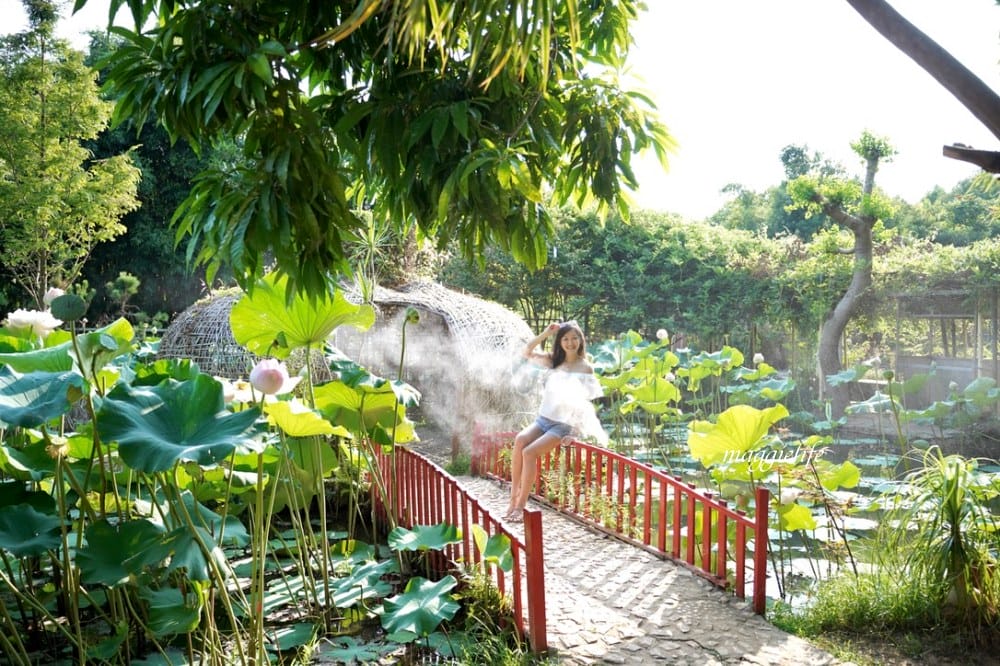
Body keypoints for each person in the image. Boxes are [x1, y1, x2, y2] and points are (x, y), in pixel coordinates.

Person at [504, 320, 606, 522]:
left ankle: (520, 506)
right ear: (559, 342)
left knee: (529, 452)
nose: (570, 342)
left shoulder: (586, 368)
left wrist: (574, 432)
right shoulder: (553, 361)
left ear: (581, 340)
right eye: (566, 339)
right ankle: (513, 497)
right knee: (520, 440)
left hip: (562, 425)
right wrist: (545, 333)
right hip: (543, 419)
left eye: (574, 338)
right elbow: (526, 352)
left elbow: (584, 404)